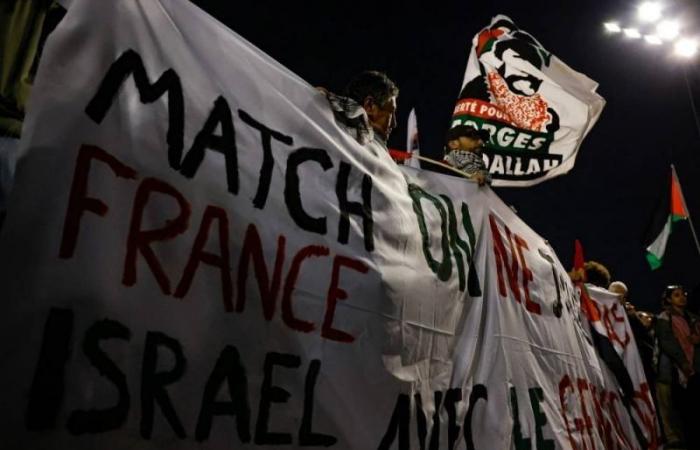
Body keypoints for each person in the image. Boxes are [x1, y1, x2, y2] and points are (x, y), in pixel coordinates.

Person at [655, 285, 700, 449]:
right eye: (677, 295)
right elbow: (668, 343)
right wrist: (683, 363)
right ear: (668, 299)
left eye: (683, 294)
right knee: (681, 408)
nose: (682, 298)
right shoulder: (664, 318)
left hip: (695, 368)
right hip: (675, 371)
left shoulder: (693, 318)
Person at [318, 70, 398, 155]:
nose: (394, 123)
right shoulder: (372, 154)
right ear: (369, 105)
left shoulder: (320, 126)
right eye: (391, 112)